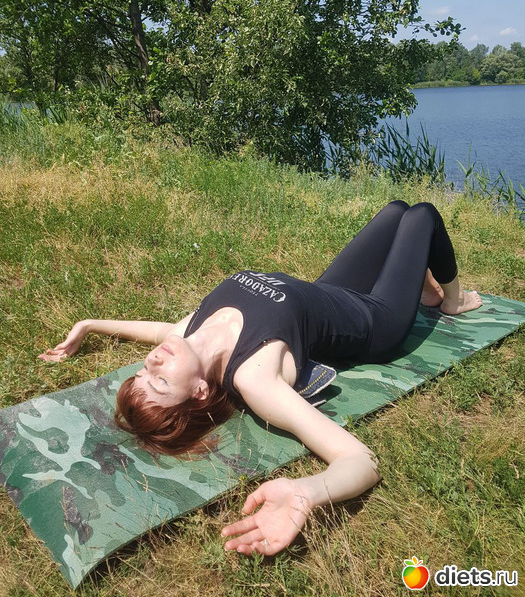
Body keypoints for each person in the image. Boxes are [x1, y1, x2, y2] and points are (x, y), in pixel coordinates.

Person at [39, 201, 482, 557]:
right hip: (372, 320)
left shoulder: (187, 336)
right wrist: (306, 492)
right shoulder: (254, 378)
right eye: (159, 382)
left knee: (395, 211)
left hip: (327, 292)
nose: (153, 362)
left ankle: (421, 287)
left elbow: (155, 332)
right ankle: (452, 301)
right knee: (421, 215)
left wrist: (90, 325)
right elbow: (360, 460)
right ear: (199, 391)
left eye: (142, 371)